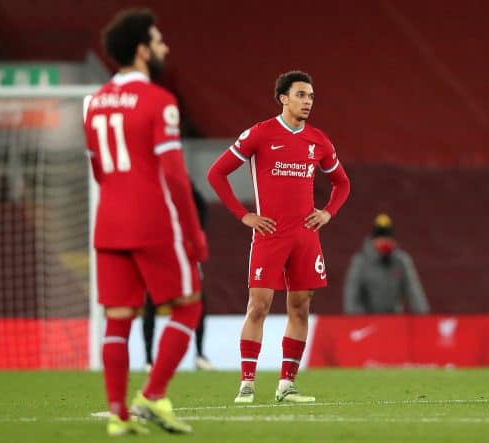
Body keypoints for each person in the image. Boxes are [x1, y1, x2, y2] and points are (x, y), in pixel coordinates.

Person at [84, 9, 207, 436]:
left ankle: (118, 417)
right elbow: (174, 174)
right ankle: (152, 396)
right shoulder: (160, 101)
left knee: (118, 318)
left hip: (108, 223)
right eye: (158, 40)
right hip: (152, 220)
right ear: (141, 50)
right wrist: (193, 234)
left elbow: (99, 170)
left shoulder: (94, 103)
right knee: (189, 305)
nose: (164, 47)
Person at [207, 70, 350, 404]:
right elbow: (216, 173)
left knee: (300, 308)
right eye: (301, 95)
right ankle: (246, 384)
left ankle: (287, 385)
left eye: (311, 96)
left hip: (305, 235)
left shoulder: (319, 140)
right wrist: (244, 215)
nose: (308, 102)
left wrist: (327, 212)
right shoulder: (261, 133)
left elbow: (342, 183)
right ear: (283, 98)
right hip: (270, 234)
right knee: (259, 305)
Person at [142, 182, 216, 372]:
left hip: (184, 250)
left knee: (198, 303)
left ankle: (199, 354)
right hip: (159, 251)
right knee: (151, 302)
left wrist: (197, 230)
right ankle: (149, 360)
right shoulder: (150, 187)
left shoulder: (180, 181)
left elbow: (200, 203)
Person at [343, 213, 430, 314]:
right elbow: (351, 296)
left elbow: (414, 291)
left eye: (387, 238)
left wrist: (423, 318)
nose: (384, 242)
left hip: (393, 319)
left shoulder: (401, 261)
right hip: (367, 319)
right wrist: (356, 321)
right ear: (373, 240)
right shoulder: (360, 263)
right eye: (380, 238)